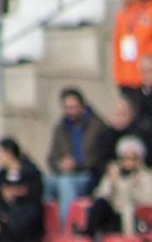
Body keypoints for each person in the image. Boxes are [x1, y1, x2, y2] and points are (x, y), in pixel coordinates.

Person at [45, 89, 111, 231]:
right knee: (42, 183)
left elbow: (99, 158)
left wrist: (76, 164)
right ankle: (44, 231)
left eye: (73, 107)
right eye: (67, 108)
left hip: (88, 175)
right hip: (63, 173)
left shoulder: (97, 126)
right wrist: (60, 165)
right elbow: (51, 158)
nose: (70, 111)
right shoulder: (60, 128)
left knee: (65, 183)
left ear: (82, 106)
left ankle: (67, 230)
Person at [89, 136, 152, 236]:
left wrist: (129, 185)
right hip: (115, 212)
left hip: (135, 216)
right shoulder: (114, 172)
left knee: (127, 211)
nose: (128, 162)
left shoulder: (146, 176)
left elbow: (149, 201)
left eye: (132, 159)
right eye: (124, 158)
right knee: (100, 204)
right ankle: (87, 235)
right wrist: (113, 183)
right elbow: (102, 193)